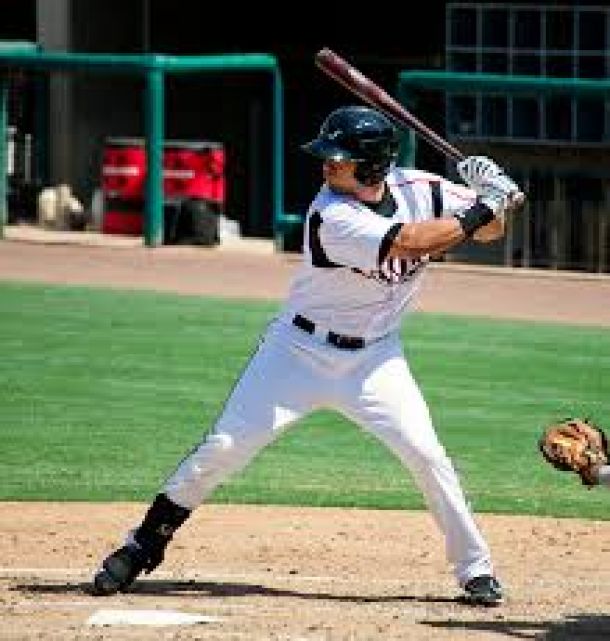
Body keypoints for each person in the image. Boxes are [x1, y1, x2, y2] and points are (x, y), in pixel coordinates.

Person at [92, 105, 523, 606]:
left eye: (336, 159)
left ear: (370, 166)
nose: (325, 166)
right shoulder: (330, 215)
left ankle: (475, 570)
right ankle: (142, 545)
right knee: (224, 447)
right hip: (295, 353)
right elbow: (410, 242)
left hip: (376, 361)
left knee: (428, 456)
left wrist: (497, 198)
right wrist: (485, 203)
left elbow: (487, 231)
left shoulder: (420, 189)